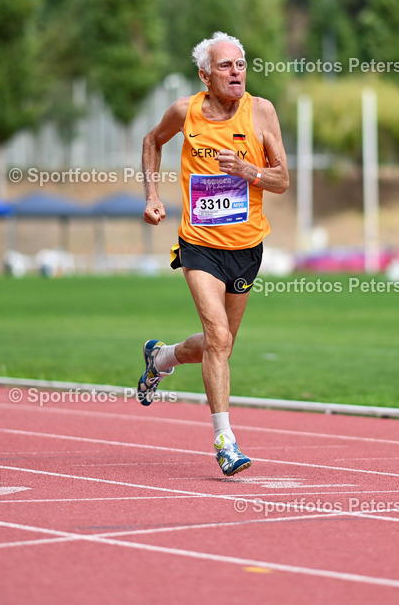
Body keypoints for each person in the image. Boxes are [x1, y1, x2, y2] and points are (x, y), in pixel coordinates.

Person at [138, 32, 289, 476]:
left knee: (220, 344)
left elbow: (281, 180)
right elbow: (152, 141)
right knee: (218, 339)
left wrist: (250, 171)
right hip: (199, 246)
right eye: (225, 66)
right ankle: (225, 441)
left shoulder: (261, 111)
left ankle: (161, 358)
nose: (236, 72)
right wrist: (151, 195)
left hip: (246, 247)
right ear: (205, 75)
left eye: (241, 64)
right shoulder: (185, 112)